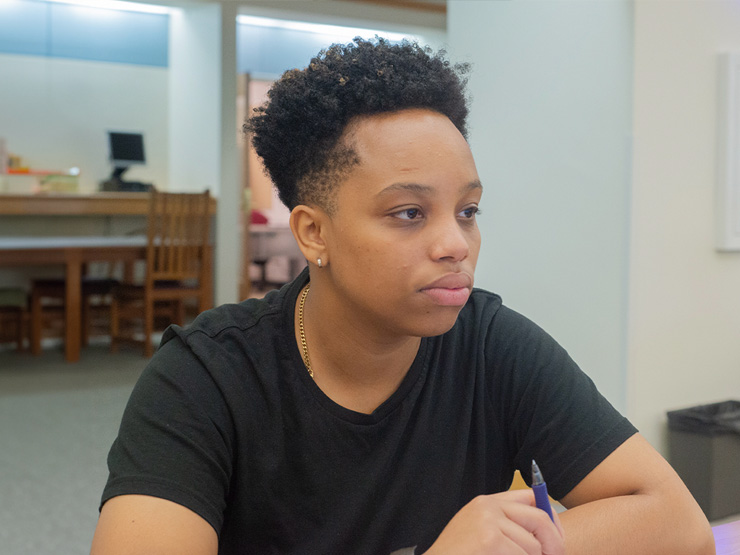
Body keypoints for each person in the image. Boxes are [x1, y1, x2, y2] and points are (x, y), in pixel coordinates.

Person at [91, 38, 714, 555]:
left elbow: (679, 525)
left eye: (467, 210)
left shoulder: (492, 344)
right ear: (314, 232)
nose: (456, 244)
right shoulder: (205, 376)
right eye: (410, 212)